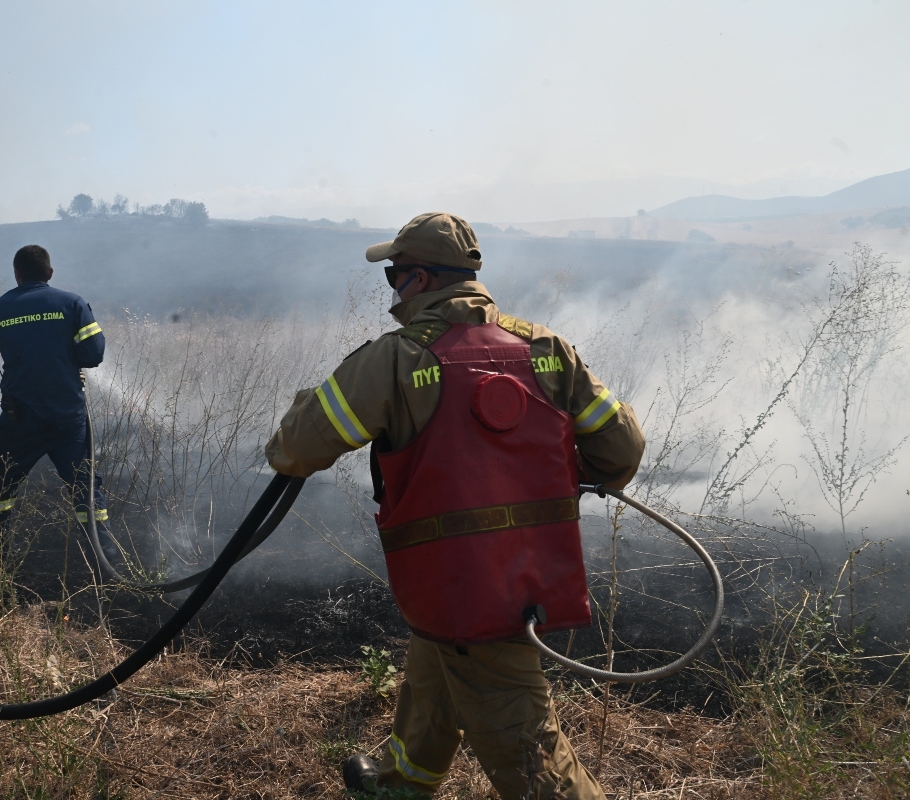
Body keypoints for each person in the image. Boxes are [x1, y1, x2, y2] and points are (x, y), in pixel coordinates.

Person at [265, 213, 645, 799]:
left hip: (459, 580)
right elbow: (622, 451)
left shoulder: (395, 360)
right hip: (532, 571)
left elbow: (294, 450)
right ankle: (402, 781)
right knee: (436, 655)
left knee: (523, 741)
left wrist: (303, 406)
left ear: (419, 279)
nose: (393, 289)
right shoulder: (547, 349)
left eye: (394, 275)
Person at [0, 244, 116, 562]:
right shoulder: (72, 303)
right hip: (66, 416)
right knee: (84, 486)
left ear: (17, 275)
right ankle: (106, 562)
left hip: (20, 418)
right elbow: (93, 354)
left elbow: (8, 348)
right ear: (50, 273)